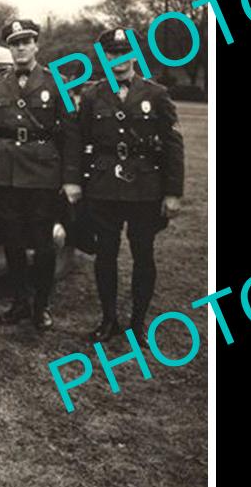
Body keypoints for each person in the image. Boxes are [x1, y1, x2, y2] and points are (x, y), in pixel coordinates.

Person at [0, 19, 81, 331]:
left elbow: (71, 134)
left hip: (42, 173)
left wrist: (70, 178)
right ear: (9, 48)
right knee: (12, 240)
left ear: (36, 45)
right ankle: (19, 302)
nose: (20, 48)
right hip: (3, 172)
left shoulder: (55, 81)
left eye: (25, 42)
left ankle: (41, 306)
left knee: (43, 243)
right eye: (14, 43)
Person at [79, 28, 184, 343]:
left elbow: (173, 145)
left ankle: (138, 324)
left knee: (143, 253)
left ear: (135, 55)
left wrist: (172, 192)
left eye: (125, 53)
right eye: (112, 53)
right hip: (104, 186)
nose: (118, 60)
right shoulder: (91, 95)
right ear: (105, 56)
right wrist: (78, 184)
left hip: (144, 188)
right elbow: (80, 142)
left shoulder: (156, 94)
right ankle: (108, 320)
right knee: (105, 255)